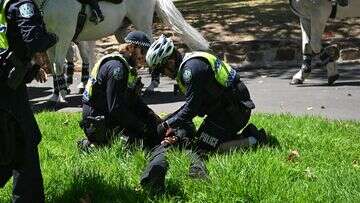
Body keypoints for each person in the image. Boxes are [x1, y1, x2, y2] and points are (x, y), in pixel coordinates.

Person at [140, 35, 268, 193]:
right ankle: (244, 135)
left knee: (203, 149)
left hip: (234, 112)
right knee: (198, 141)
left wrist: (166, 124)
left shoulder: (191, 71)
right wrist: (168, 121)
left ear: (170, 62)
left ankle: (255, 139)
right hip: (223, 111)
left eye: (161, 70)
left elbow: (191, 110)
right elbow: (190, 107)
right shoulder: (188, 66)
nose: (163, 75)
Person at [0, 0, 58, 202]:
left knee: (15, 141)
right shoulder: (22, 3)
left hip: (9, 83)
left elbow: (10, 41)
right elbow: (34, 39)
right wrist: (53, 37)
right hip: (7, 89)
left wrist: (32, 67)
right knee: (25, 141)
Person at [78, 31, 162, 151]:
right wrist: (141, 127)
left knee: (151, 127)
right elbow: (116, 108)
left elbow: (134, 101)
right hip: (97, 121)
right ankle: (91, 145)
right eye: (143, 51)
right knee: (142, 141)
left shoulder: (126, 67)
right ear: (131, 48)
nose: (144, 57)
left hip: (107, 115)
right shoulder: (117, 69)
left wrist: (152, 116)